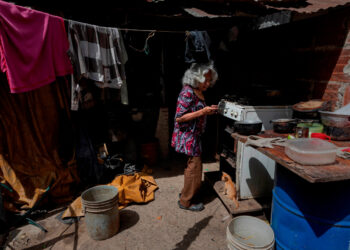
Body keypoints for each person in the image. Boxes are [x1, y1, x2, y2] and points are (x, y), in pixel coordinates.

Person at [171, 62, 218, 211]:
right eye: (206, 79)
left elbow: (198, 111)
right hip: (187, 136)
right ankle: (186, 201)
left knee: (192, 167)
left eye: (210, 80)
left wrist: (209, 110)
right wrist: (203, 112)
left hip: (194, 136)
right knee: (194, 168)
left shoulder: (197, 91)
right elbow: (179, 118)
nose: (208, 83)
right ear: (196, 77)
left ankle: (186, 193)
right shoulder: (187, 92)